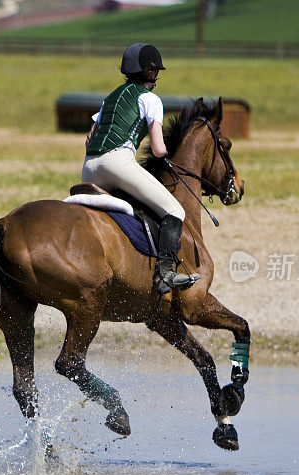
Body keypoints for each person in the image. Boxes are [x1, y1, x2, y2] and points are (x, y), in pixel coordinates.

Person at [82, 42, 199, 295]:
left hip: (89, 167)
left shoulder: (110, 98)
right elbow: (157, 149)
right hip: (118, 164)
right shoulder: (150, 99)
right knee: (174, 210)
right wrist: (167, 155)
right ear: (151, 72)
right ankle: (165, 273)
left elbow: (90, 139)